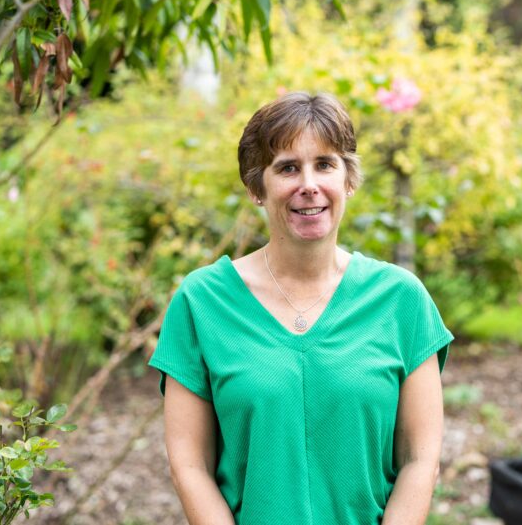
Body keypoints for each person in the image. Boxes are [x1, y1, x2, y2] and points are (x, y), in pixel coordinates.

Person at [148, 91, 454, 525]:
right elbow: (190, 465)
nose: (308, 184)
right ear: (257, 187)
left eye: (325, 164)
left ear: (348, 179)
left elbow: (420, 459)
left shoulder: (401, 300)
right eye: (288, 168)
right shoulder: (202, 302)